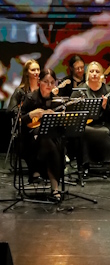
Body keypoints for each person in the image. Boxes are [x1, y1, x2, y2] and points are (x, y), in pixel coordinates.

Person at [20, 67, 64, 201]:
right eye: (46, 82)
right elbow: (19, 120)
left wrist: (59, 117)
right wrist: (31, 114)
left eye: (52, 82)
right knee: (45, 138)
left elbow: (61, 126)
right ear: (39, 82)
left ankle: (41, 175)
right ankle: (55, 187)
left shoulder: (56, 100)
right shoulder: (30, 98)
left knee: (50, 140)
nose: (49, 85)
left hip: (51, 138)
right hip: (31, 140)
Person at [70, 61, 110, 176]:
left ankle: (109, 163)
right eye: (91, 71)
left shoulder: (108, 90)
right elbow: (71, 109)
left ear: (101, 74)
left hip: (103, 123)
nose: (94, 74)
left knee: (105, 131)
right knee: (84, 131)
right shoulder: (80, 90)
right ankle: (85, 164)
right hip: (85, 124)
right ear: (88, 74)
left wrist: (105, 107)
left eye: (97, 71)